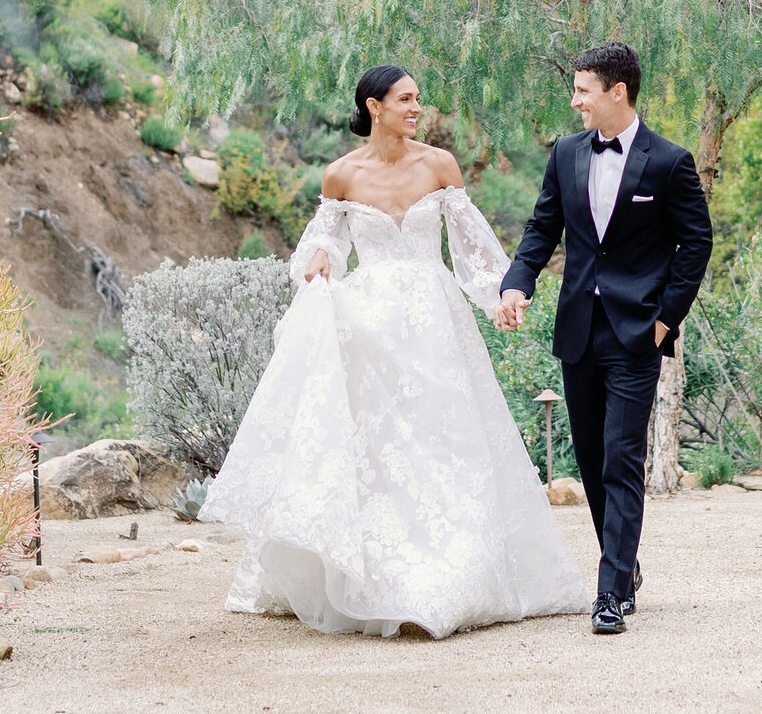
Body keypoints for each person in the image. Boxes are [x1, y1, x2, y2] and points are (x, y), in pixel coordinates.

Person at [200, 66, 589, 638]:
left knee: (446, 440)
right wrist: (319, 262)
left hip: (436, 320)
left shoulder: (438, 165)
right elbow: (324, 242)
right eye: (405, 100)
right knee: (380, 450)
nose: (416, 109)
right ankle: (374, 579)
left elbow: (471, 246)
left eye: (417, 100)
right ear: (373, 106)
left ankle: (456, 575)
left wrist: (500, 297)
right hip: (370, 325)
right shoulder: (341, 175)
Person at [498, 42, 713, 635]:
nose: (574, 102)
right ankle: (626, 566)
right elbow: (543, 228)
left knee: (622, 458)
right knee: (591, 460)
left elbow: (695, 244)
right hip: (578, 330)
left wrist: (667, 317)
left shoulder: (669, 162)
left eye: (583, 91)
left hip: (638, 332)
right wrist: (517, 286)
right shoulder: (566, 154)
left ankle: (610, 591)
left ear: (617, 92)